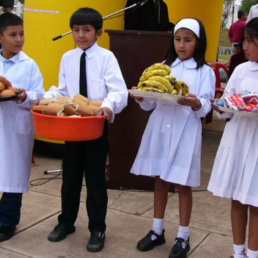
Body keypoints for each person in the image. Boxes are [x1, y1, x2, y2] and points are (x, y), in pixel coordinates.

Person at [130, 18, 215, 257]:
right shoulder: (164, 66)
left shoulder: (204, 72)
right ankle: (157, 230)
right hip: (160, 128)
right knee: (160, 180)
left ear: (198, 43)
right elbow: (151, 103)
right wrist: (142, 98)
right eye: (177, 39)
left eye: (187, 40)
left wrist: (197, 103)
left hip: (185, 131)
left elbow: (206, 105)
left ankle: (183, 236)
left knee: (183, 184)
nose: (181, 45)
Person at [45, 7, 128, 252]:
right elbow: (62, 90)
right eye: (76, 30)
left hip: (95, 127)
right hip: (71, 128)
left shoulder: (106, 58)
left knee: (94, 180)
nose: (81, 35)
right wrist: (46, 98)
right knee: (69, 178)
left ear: (99, 32)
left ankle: (97, 228)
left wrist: (106, 107)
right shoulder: (67, 58)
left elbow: (118, 90)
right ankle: (66, 222)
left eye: (87, 30)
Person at [208, 17, 258, 258]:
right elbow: (228, 102)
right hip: (238, 138)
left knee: (256, 201)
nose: (244, 47)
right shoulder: (241, 70)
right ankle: (238, 252)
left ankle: (253, 253)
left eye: (249, 41)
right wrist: (220, 107)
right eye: (244, 41)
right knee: (237, 198)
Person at [0, 13, 44, 242]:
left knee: (13, 174)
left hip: (17, 126)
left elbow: (39, 95)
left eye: (22, 34)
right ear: (0, 37)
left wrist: (25, 96)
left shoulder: (29, 65)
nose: (19, 39)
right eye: (13, 35)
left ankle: (7, 221)